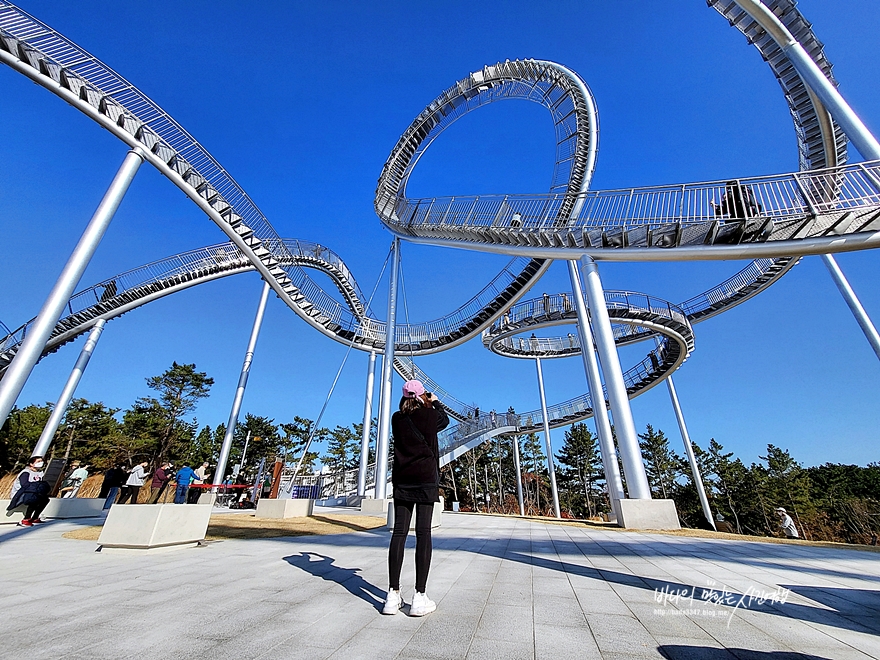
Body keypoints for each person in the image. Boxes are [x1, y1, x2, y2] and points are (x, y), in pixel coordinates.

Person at [383, 379, 449, 617]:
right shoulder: (431, 416)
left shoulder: (396, 419)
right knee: (423, 534)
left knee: (399, 533)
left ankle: (392, 594)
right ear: (422, 396)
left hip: (403, 480)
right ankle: (419, 596)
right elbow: (444, 419)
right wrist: (435, 403)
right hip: (425, 481)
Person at [7, 456, 50, 527]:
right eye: (38, 461)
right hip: (21, 493)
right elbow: (24, 484)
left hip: (32, 492)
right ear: (31, 464)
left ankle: (35, 517)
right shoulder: (26, 472)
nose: (41, 463)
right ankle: (26, 519)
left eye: (41, 461)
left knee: (45, 499)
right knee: (34, 498)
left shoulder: (40, 473)